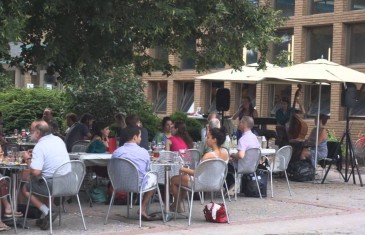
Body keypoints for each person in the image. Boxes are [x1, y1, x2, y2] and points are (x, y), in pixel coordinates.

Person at [22, 120, 70, 230]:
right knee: (40, 183)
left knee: (26, 188)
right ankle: (44, 218)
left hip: (53, 184)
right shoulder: (58, 140)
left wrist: (28, 158)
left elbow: (36, 172)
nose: (30, 133)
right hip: (68, 182)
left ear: (38, 133)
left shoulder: (41, 146)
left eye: (32, 131)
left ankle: (47, 212)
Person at [170, 128, 229, 212]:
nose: (206, 139)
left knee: (174, 179)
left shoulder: (208, 155)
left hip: (201, 183)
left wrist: (183, 169)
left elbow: (196, 173)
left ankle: (177, 205)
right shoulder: (225, 153)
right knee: (182, 178)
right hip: (217, 183)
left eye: (208, 137)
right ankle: (176, 205)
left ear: (214, 140)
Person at [112, 126, 157, 221]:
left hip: (118, 184)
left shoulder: (116, 152)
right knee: (153, 177)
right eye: (140, 136)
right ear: (135, 137)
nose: (141, 138)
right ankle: (142, 208)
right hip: (138, 185)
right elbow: (148, 170)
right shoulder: (143, 152)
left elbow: (113, 169)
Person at [226, 116, 260, 192]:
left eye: (240, 122)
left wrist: (233, 155)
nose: (238, 124)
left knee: (224, 165)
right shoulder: (255, 137)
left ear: (244, 124)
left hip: (241, 167)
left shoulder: (243, 139)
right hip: (252, 167)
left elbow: (241, 155)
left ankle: (231, 185)